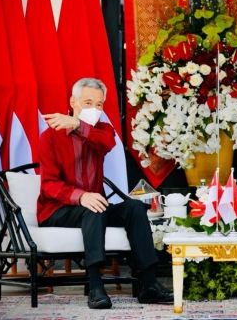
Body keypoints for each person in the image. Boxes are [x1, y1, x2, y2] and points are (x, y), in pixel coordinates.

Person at [36, 77, 173, 309]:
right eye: (87, 102)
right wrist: (80, 196)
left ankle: (149, 283)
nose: (94, 109)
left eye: (99, 104)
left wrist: (78, 125)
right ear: (73, 101)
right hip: (58, 210)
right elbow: (49, 184)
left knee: (134, 207)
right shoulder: (50, 137)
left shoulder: (103, 130)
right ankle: (96, 287)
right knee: (95, 208)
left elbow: (108, 143)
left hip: (94, 207)